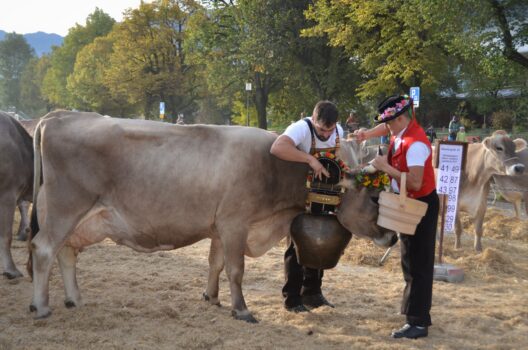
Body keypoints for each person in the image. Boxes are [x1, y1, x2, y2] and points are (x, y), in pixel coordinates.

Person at [355, 95, 439, 339]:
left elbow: (414, 181)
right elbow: (385, 126)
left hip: (419, 203)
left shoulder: (415, 144)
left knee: (418, 263)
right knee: (409, 259)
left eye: (390, 123)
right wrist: (367, 134)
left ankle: (418, 322)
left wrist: (385, 167)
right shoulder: (403, 129)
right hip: (412, 202)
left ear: (401, 118)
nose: (387, 128)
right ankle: (415, 315)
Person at [270, 100, 344, 313]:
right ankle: (292, 298)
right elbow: (278, 147)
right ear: (313, 120)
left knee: (321, 241)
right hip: (299, 195)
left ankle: (312, 292)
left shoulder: (337, 131)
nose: (324, 134)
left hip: (325, 194)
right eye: (321, 129)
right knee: (298, 245)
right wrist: (310, 160)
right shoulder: (301, 128)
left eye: (328, 130)